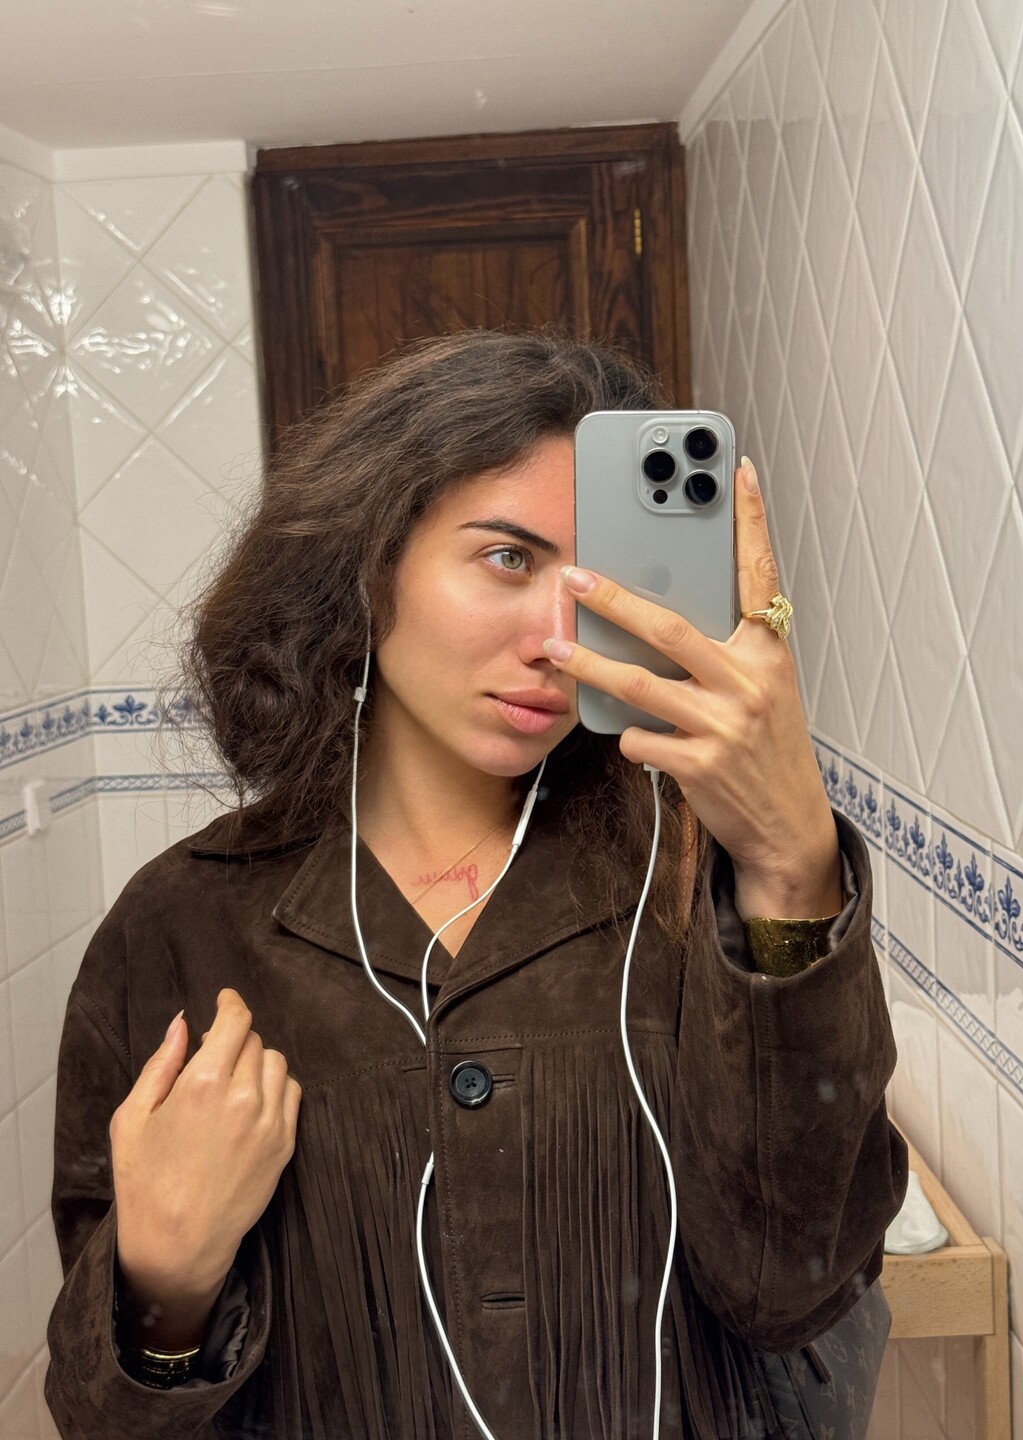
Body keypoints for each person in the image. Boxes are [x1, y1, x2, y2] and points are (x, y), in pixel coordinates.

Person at [45, 329, 906, 1440]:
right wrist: (164, 1276)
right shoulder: (182, 925)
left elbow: (792, 1292)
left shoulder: (698, 880)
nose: (559, 637)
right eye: (509, 558)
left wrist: (793, 868)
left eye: (598, 582)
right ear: (369, 561)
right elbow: (101, 1418)